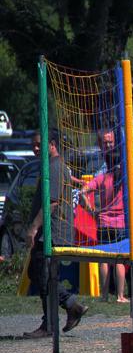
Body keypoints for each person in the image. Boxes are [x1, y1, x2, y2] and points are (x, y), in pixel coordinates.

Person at [22, 130, 88, 338]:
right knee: (38, 274)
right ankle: (61, 314)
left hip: (53, 232)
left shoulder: (55, 167)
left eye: (39, 144)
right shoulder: (50, 166)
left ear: (52, 144)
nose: (35, 148)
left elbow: (52, 202)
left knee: (44, 276)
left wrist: (34, 228)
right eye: (32, 145)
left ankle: (66, 310)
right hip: (48, 232)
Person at [79, 140, 133, 302]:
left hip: (103, 223)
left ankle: (104, 295)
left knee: (105, 260)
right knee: (119, 260)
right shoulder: (128, 179)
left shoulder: (102, 178)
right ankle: (120, 295)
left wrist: (91, 210)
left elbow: (82, 191)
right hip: (122, 224)